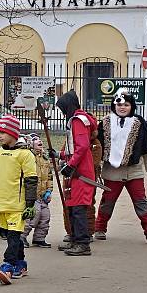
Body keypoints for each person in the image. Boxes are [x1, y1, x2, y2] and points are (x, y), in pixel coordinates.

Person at [94, 88, 147, 244]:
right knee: (108, 202)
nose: (122, 107)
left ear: (132, 106)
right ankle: (99, 228)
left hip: (134, 171)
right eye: (119, 104)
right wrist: (96, 167)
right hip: (112, 172)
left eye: (126, 104)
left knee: (141, 201)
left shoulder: (139, 123)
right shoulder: (105, 122)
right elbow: (97, 147)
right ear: (114, 106)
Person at [0, 115, 37, 284]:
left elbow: (31, 180)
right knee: (11, 235)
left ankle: (8, 266)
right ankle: (21, 264)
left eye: (3, 132)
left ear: (13, 134)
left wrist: (30, 204)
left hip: (17, 206)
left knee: (13, 237)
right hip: (1, 204)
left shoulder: (26, 155)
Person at [52, 90, 97, 256]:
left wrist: (70, 165)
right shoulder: (76, 120)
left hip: (80, 172)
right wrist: (59, 154)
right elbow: (73, 148)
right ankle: (74, 238)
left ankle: (82, 243)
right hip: (76, 171)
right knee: (71, 207)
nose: (63, 113)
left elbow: (82, 147)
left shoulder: (78, 121)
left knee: (78, 208)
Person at [21, 133, 53, 248]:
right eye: (35, 140)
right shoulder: (29, 157)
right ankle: (22, 236)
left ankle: (39, 238)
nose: (39, 141)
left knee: (45, 217)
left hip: (42, 195)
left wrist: (49, 190)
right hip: (32, 195)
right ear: (30, 144)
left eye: (40, 139)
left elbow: (49, 176)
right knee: (31, 217)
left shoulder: (45, 159)